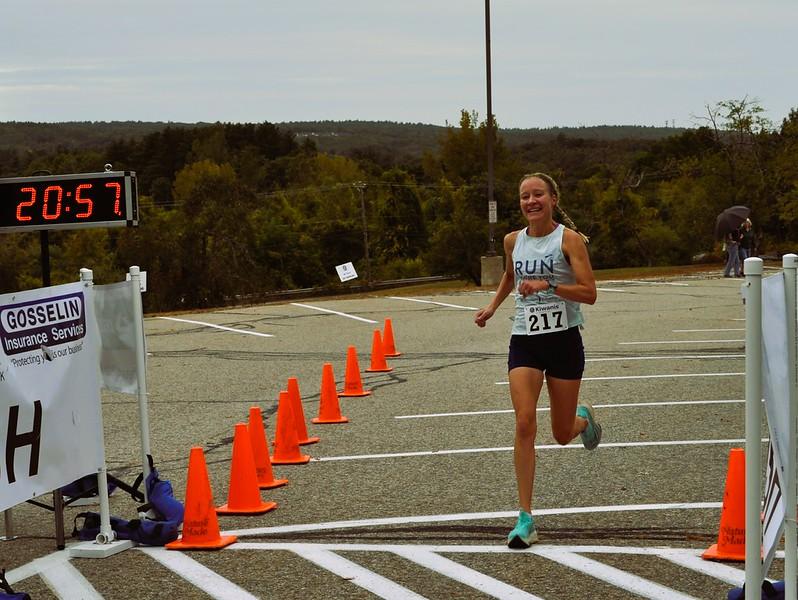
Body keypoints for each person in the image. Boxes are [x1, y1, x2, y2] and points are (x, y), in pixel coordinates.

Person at [474, 172, 601, 549]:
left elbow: (590, 292)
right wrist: (493, 307)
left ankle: (583, 420)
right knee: (525, 422)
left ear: (553, 199)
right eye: (525, 196)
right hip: (525, 341)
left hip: (563, 342)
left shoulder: (569, 240)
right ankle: (525, 518)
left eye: (538, 195)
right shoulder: (513, 240)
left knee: (560, 435)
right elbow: (511, 276)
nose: (531, 201)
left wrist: (549, 285)